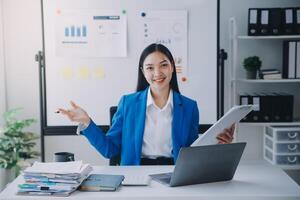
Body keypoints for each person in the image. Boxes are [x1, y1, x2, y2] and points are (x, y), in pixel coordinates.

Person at [59, 43, 234, 165]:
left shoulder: (189, 107)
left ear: (172, 67)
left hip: (174, 173)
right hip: (136, 173)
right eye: (150, 67)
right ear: (143, 72)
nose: (157, 72)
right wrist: (87, 123)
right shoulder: (128, 104)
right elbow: (110, 150)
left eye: (163, 65)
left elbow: (192, 152)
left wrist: (218, 145)